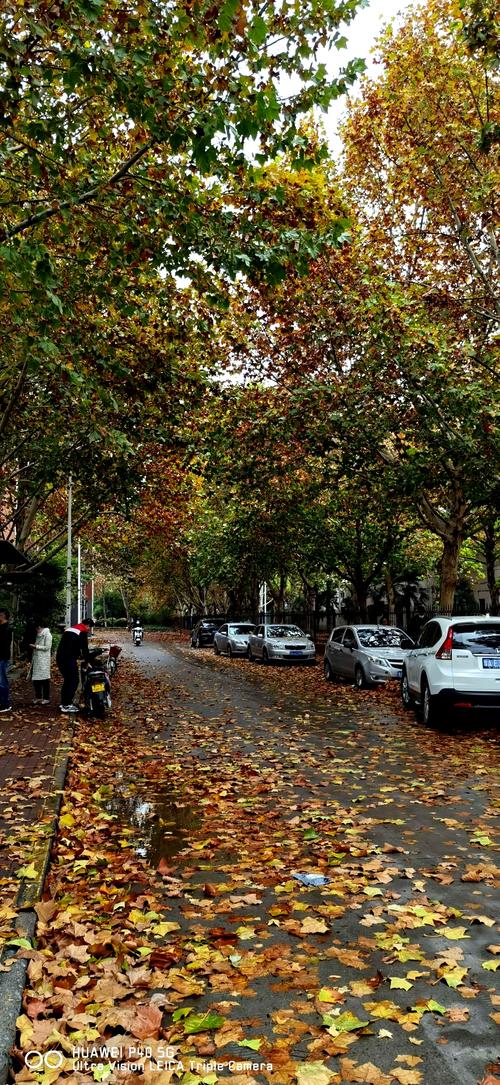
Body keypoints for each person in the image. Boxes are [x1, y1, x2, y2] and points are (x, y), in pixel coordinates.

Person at [56, 622, 90, 713]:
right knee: (74, 680)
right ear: (88, 626)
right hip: (68, 659)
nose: (89, 630)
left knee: (67, 680)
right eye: (89, 628)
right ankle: (67, 705)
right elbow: (85, 648)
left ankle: (64, 703)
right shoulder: (82, 631)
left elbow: (71, 645)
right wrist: (87, 661)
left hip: (60, 657)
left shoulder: (70, 629)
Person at [29, 620, 52, 704]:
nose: (38, 629)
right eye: (37, 627)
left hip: (44, 660)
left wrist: (36, 646)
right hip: (36, 659)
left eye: (40, 627)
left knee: (45, 679)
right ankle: (38, 697)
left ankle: (46, 698)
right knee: (36, 679)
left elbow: (47, 647)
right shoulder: (38, 635)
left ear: (43, 627)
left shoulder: (47, 635)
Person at [0, 609, 12, 713]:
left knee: (2, 681)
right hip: (2, 656)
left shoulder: (7, 628)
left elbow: (4, 644)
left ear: (3, 616)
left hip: (2, 657)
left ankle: (5, 703)